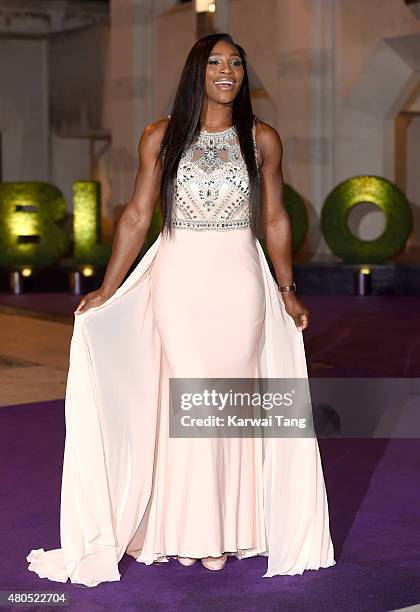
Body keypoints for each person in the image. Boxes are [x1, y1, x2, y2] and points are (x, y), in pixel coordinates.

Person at [26, 33, 335, 587]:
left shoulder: (262, 139)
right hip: (180, 276)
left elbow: (275, 219)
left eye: (236, 63)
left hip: (240, 280)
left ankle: (229, 527)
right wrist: (107, 287)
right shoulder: (160, 136)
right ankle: (187, 529)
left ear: (244, 75)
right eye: (215, 62)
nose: (226, 71)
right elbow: (137, 216)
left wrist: (287, 289)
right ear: (198, 71)